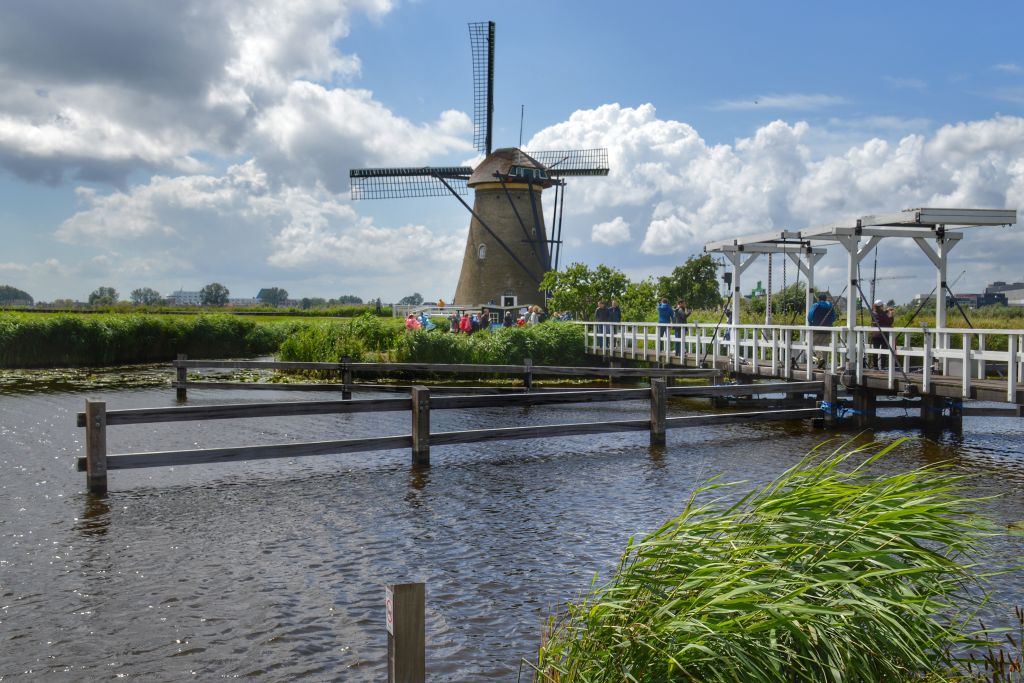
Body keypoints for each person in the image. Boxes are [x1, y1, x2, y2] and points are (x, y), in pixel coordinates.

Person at [807, 291, 836, 369]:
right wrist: (829, 322)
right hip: (827, 330)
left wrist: (811, 324)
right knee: (825, 346)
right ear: (825, 299)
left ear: (818, 299)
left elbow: (810, 316)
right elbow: (834, 317)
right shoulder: (830, 306)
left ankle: (820, 359)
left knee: (813, 344)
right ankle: (823, 365)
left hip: (817, 328)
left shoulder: (816, 305)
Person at [870, 299, 895, 370]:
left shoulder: (873, 313)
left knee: (875, 351)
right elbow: (890, 322)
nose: (883, 307)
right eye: (882, 306)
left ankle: (875, 366)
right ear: (880, 306)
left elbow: (880, 314)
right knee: (884, 351)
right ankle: (883, 367)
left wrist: (886, 311)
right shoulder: (883, 315)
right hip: (883, 335)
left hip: (875, 335)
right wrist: (891, 315)